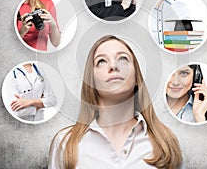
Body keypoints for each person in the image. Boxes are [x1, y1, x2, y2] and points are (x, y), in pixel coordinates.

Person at [49, 35, 182, 168]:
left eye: (123, 59)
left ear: (136, 77)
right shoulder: (65, 143)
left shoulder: (166, 142)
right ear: (91, 81)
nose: (113, 66)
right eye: (101, 61)